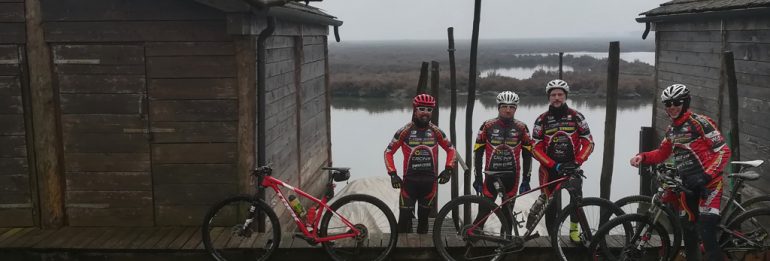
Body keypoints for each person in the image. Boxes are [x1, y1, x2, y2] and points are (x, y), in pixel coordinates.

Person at [630, 84, 730, 261]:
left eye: (676, 102)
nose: (672, 107)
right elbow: (661, 153)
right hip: (687, 186)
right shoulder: (671, 130)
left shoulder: (699, 122)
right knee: (689, 234)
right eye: (668, 104)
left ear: (685, 102)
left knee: (707, 232)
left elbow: (723, 151)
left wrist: (706, 175)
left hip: (709, 183)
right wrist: (642, 157)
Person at [528, 79, 594, 243]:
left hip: (572, 167)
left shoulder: (577, 116)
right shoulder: (541, 120)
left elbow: (589, 142)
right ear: (548, 97)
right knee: (551, 207)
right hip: (549, 170)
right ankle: (553, 237)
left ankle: (573, 232)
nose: (556, 98)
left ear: (565, 96)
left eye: (560, 94)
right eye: (553, 95)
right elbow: (535, 148)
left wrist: (578, 161)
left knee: (576, 202)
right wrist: (553, 165)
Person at [384, 93, 456, 234]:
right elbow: (388, 152)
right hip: (409, 184)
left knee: (423, 224)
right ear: (415, 110)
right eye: (422, 109)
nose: (425, 113)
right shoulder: (405, 131)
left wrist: (448, 170)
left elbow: (451, 150)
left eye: (429, 110)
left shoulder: (436, 131)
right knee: (404, 222)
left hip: (429, 184)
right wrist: (393, 174)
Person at [473, 91, 533, 202]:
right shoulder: (487, 125)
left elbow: (528, 156)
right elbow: (477, 153)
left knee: (508, 215)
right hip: (491, 175)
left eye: (512, 107)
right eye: (504, 106)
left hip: (512, 176)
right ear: (498, 107)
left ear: (516, 108)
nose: (508, 110)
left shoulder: (522, 127)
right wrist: (478, 178)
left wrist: (526, 179)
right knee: (483, 213)